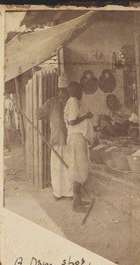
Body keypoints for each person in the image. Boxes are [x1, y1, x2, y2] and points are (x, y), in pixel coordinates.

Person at [36, 74, 73, 200]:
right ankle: (70, 193)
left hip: (57, 137)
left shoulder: (51, 101)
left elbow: (39, 115)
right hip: (69, 138)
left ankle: (57, 193)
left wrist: (48, 118)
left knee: (57, 166)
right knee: (69, 165)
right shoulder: (72, 100)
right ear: (67, 89)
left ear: (58, 89)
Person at [64, 81, 94, 213]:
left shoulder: (71, 101)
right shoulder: (73, 101)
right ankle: (76, 204)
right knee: (77, 169)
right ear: (75, 91)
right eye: (80, 91)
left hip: (76, 138)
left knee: (79, 168)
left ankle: (78, 200)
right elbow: (72, 121)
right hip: (76, 139)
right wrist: (86, 116)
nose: (81, 93)